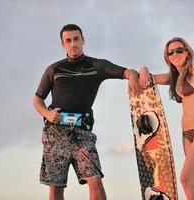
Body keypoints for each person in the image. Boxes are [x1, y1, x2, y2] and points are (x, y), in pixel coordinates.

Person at [33, 24, 141, 200]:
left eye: (76, 39)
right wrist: (47, 113)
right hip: (55, 133)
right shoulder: (54, 69)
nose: (73, 44)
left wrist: (134, 76)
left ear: (83, 40)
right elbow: (37, 99)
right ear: (63, 44)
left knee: (95, 181)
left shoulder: (97, 66)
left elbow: (125, 72)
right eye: (68, 40)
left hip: (83, 134)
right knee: (56, 188)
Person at [139, 37, 194, 200]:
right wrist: (143, 68)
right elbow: (149, 78)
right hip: (187, 135)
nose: (175, 54)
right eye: (170, 52)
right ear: (167, 57)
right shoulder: (174, 77)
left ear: (187, 52)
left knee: (185, 179)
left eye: (179, 50)